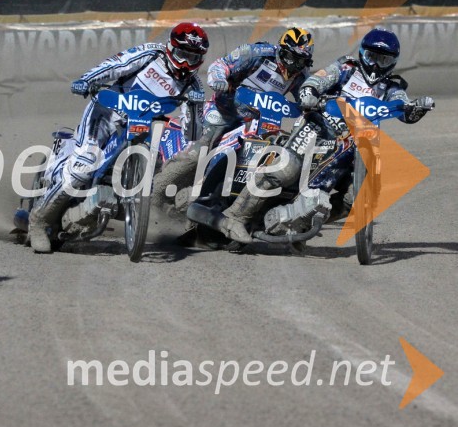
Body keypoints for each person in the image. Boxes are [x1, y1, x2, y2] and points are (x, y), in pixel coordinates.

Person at [215, 28, 435, 244]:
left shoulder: (392, 87)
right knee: (286, 167)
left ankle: (300, 222)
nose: (376, 64)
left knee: (353, 198)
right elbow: (316, 81)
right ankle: (236, 216)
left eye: (383, 60)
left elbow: (403, 109)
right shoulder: (346, 68)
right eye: (372, 56)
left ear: (393, 62)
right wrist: (309, 93)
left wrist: (416, 108)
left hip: (357, 143)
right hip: (319, 128)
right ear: (362, 53)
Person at [27, 22, 210, 253]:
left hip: (141, 126)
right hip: (106, 114)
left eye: (193, 58)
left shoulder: (193, 86)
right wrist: (87, 80)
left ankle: (118, 201)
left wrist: (194, 110)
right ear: (171, 48)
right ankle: (39, 222)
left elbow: (192, 132)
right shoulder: (150, 54)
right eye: (182, 54)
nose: (185, 63)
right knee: (83, 167)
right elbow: (115, 65)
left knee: (158, 167)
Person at [151, 28, 315, 222]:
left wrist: (311, 106)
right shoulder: (256, 54)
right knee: (200, 150)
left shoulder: (300, 75)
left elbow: (305, 101)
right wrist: (219, 79)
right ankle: (156, 193)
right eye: (291, 57)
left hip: (258, 121)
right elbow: (220, 65)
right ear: (282, 49)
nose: (294, 64)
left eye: (301, 61)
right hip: (224, 111)